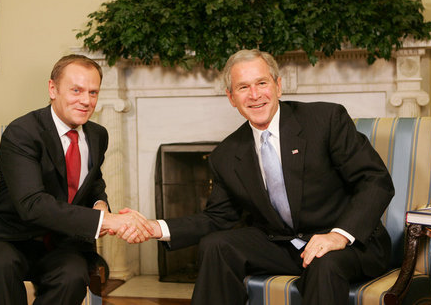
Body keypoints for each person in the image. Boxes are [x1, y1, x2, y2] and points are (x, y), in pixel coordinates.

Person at [127, 49, 395, 304]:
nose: (254, 95)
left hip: (348, 245)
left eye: (262, 83)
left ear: (278, 86)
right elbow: (218, 218)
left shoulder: (325, 119)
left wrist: (338, 236)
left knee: (324, 262)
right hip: (286, 245)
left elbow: (375, 180)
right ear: (231, 98)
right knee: (217, 245)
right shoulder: (226, 154)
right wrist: (156, 228)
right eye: (243, 87)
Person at [0, 54, 153, 305]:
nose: (86, 101)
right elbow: (32, 205)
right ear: (53, 89)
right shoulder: (22, 133)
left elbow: (93, 180)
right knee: (4, 266)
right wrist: (108, 220)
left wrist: (100, 203)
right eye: (76, 90)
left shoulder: (98, 135)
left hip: (60, 242)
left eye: (93, 92)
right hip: (7, 237)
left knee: (74, 275)